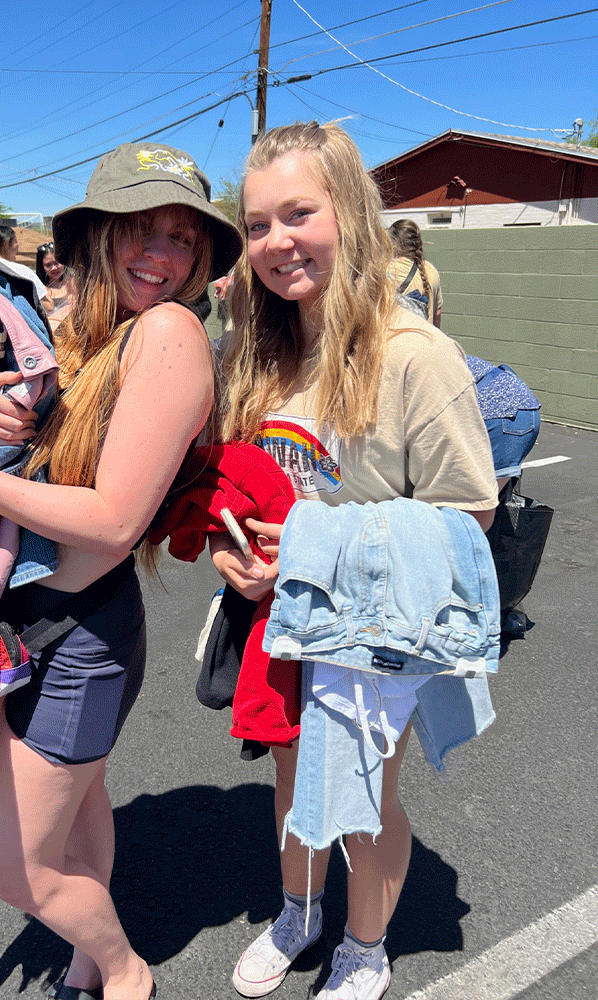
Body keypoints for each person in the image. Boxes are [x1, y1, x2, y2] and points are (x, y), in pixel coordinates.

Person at [0, 141, 242, 1000]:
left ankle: (126, 975)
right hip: (35, 625)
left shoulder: (166, 332)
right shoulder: (94, 331)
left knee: (20, 873)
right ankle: (91, 964)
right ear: (97, 234)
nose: (161, 255)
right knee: (84, 810)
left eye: (182, 239)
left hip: (80, 634)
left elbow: (114, 519)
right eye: (141, 229)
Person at [212, 122, 497, 1000]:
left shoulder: (415, 356)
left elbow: (468, 512)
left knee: (366, 794)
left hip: (376, 624)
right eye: (257, 225)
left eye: (299, 213)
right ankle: (300, 912)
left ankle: (364, 946)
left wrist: (310, 552)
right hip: (275, 614)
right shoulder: (255, 349)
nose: (276, 242)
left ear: (355, 213)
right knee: (296, 780)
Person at [386, 219, 443, 327]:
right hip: (427, 340)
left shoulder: (388, 270)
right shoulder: (431, 270)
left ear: (393, 243)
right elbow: (437, 313)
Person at [0, 223, 49, 301]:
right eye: (16, 242)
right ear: (6, 244)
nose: (18, 247)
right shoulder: (23, 272)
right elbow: (48, 305)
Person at [35, 240, 76, 321]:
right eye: (48, 265)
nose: (54, 268)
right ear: (42, 267)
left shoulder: (74, 282)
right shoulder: (40, 289)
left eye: (56, 263)